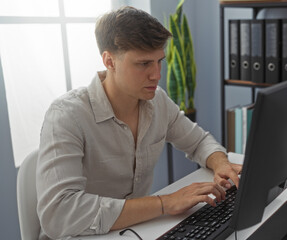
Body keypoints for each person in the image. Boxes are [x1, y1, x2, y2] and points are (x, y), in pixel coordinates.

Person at [36, 6, 241, 239]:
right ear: (109, 61)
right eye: (144, 64)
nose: (157, 75)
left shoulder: (157, 100)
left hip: (135, 231)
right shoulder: (66, 116)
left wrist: (221, 163)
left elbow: (198, 142)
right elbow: (58, 214)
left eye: (159, 61)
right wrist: (165, 203)